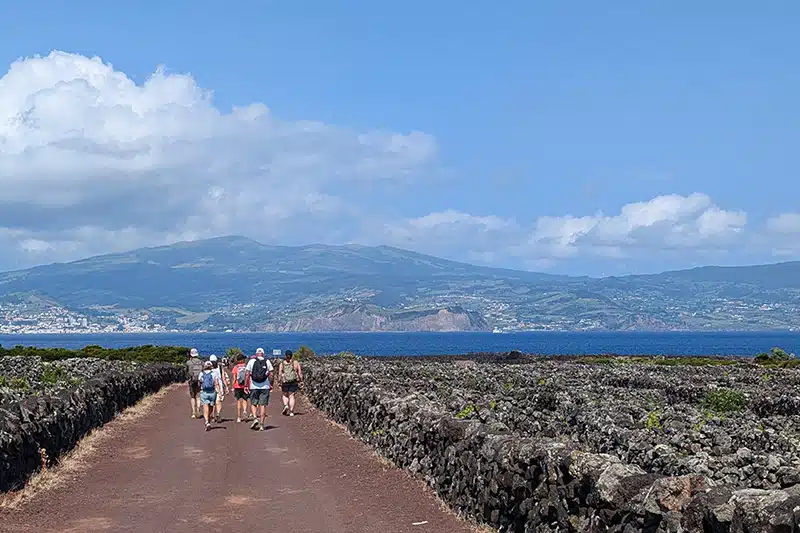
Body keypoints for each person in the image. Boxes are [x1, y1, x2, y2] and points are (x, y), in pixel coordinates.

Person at [245, 347, 273, 431]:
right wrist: (271, 384)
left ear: (256, 354)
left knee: (253, 403)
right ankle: (262, 425)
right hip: (265, 386)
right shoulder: (267, 361)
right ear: (263, 354)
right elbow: (271, 374)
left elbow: (247, 374)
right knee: (262, 405)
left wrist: (246, 385)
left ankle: (255, 418)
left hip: (253, 386)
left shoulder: (251, 361)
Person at [279, 349, 303, 416]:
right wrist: (301, 380)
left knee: (284, 395)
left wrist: (279, 382)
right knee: (291, 396)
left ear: (285, 355)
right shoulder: (295, 363)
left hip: (285, 381)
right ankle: (291, 412)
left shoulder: (282, 364)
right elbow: (300, 373)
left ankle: (286, 405)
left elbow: (280, 374)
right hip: (293, 381)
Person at [198, 360, 221, 431]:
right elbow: (216, 383)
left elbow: (199, 383)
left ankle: (207, 421)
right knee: (211, 406)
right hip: (212, 392)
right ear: (211, 366)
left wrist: (199, 389)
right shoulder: (214, 373)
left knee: (205, 406)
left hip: (204, 392)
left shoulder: (201, 373)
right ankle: (208, 418)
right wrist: (219, 392)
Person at [209, 355, 229, 423]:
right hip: (218, 387)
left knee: (213, 402)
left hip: (211, 387)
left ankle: (213, 416)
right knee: (218, 401)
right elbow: (223, 378)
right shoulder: (220, 367)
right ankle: (218, 414)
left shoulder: (208, 367)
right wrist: (226, 387)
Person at [230, 354, 250, 423]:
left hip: (237, 386)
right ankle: (244, 411)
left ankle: (239, 417)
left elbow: (234, 378)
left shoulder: (236, 367)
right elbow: (248, 376)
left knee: (238, 401)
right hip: (245, 386)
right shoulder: (246, 367)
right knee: (245, 400)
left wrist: (232, 387)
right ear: (243, 360)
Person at [185, 348, 204, 419]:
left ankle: (193, 413)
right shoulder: (201, 362)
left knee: (193, 397)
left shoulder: (189, 362)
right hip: (199, 380)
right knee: (198, 396)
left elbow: (186, 371)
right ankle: (198, 410)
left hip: (192, 380)